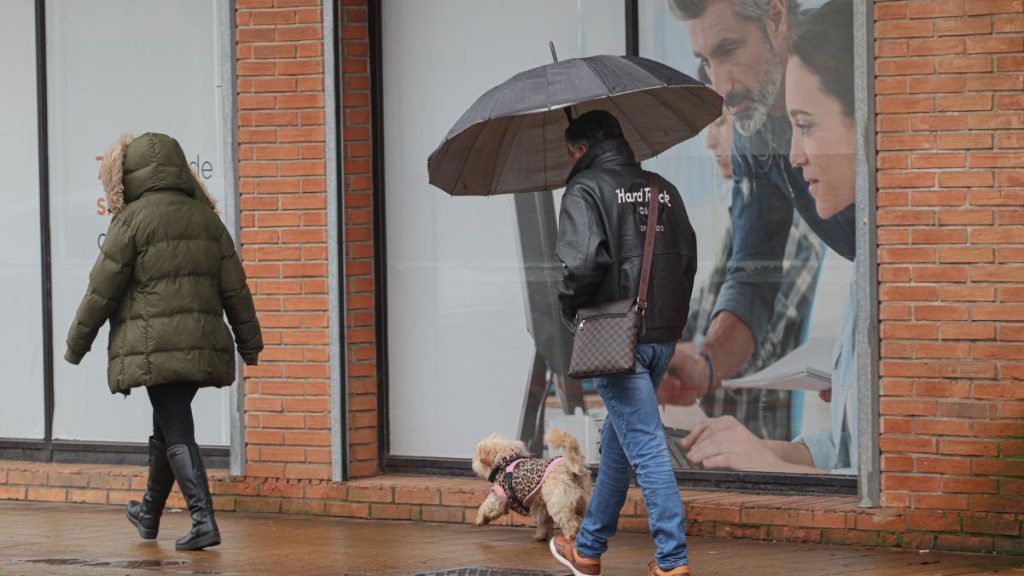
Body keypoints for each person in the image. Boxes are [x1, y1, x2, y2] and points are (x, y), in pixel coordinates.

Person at [681, 0, 859, 474]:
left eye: (729, 49)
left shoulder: (847, 65)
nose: (719, 85)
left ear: (776, 17)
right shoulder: (754, 134)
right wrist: (704, 368)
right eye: (705, 62)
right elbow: (753, 272)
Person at [64, 132, 263, 550]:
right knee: (165, 426)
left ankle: (203, 520)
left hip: (156, 345)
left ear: (129, 174)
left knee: (174, 427)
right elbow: (235, 288)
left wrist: (75, 344)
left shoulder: (132, 220)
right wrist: (249, 342)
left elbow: (102, 290)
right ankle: (149, 514)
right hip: (200, 342)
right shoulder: (206, 218)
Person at [547, 110, 698, 576]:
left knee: (646, 445)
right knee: (619, 441)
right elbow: (687, 258)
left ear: (580, 150)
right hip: (661, 335)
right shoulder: (661, 188)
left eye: (569, 153)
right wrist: (667, 321)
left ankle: (672, 561)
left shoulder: (584, 190)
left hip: (614, 339)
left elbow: (581, 266)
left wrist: (571, 310)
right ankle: (588, 549)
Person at [659, 65, 824, 445]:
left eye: (719, 124)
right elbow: (695, 320)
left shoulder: (794, 227)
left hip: (751, 439)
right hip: (711, 428)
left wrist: (676, 358)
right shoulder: (743, 218)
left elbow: (753, 350)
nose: (709, 143)